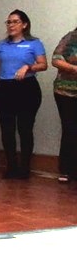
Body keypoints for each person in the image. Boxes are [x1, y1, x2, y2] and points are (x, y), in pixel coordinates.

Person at [0, 9, 47, 179]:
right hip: (5, 88)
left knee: (25, 129)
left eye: (15, 22)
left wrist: (28, 67)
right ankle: (11, 166)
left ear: (24, 25)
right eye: (9, 22)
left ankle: (25, 168)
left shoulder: (34, 43)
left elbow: (43, 64)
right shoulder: (1, 45)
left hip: (27, 88)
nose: (11, 25)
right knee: (7, 129)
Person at [51, 23, 77, 184]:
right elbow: (56, 59)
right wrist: (74, 68)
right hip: (65, 92)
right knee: (70, 130)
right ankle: (67, 170)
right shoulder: (70, 38)